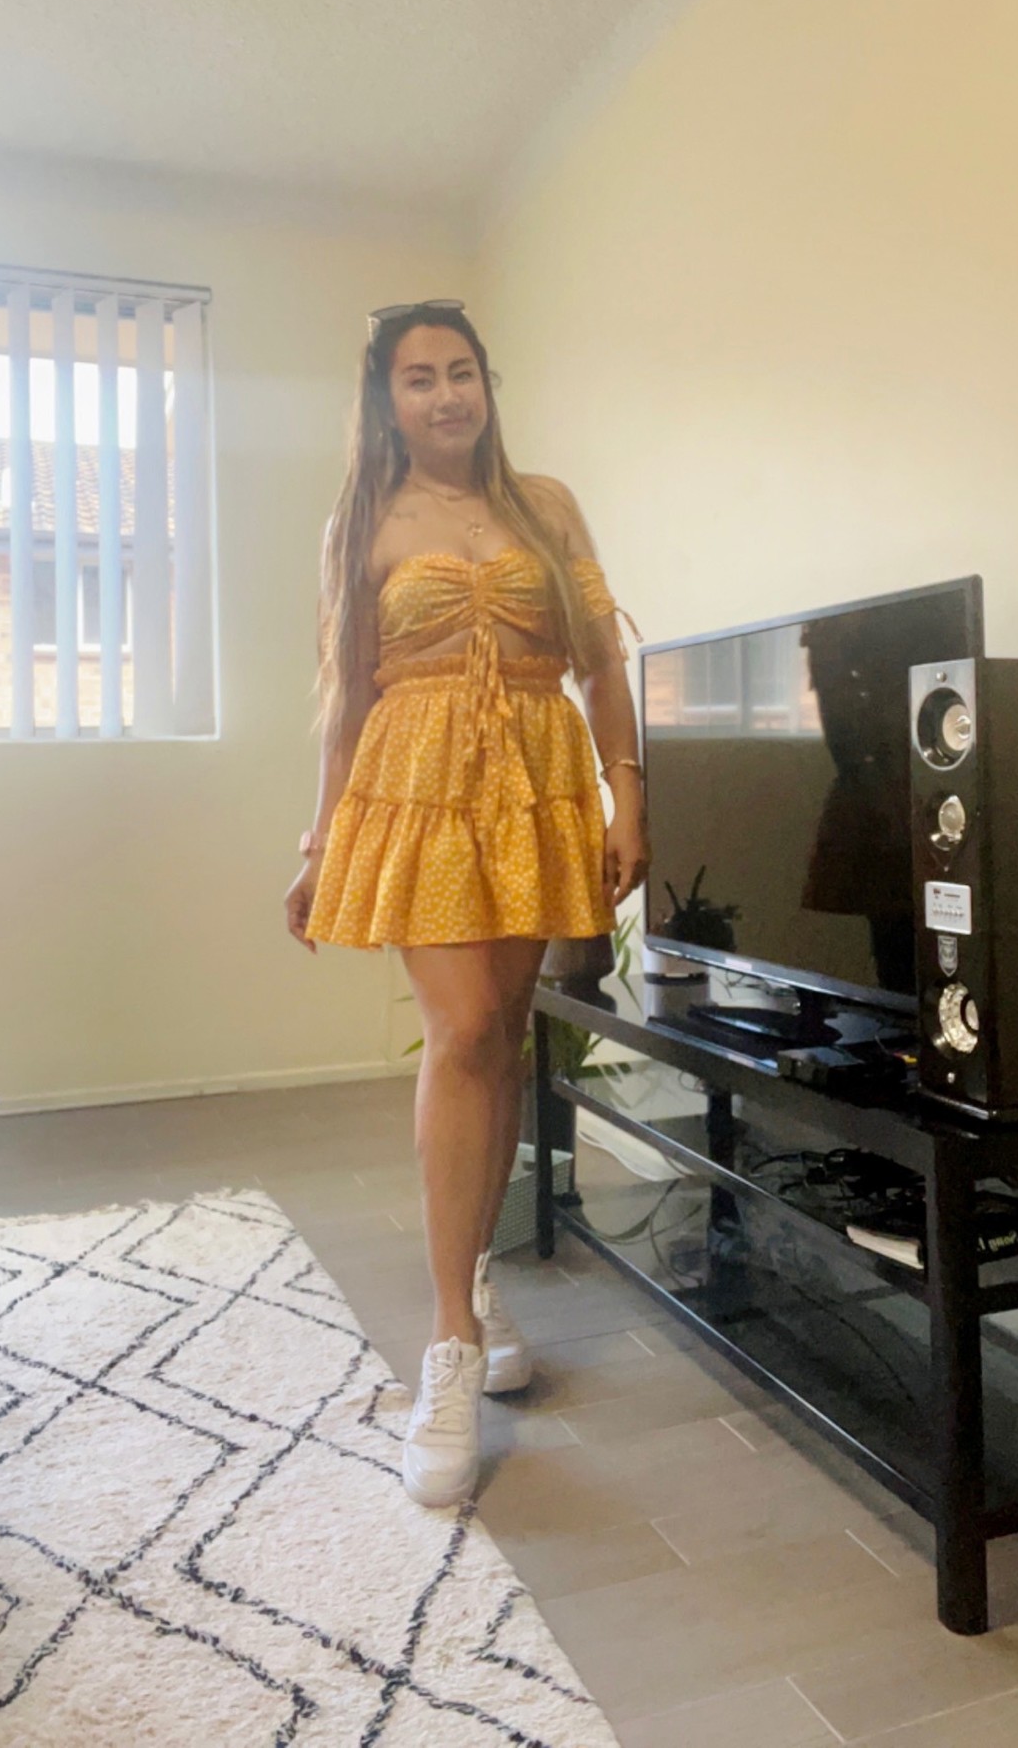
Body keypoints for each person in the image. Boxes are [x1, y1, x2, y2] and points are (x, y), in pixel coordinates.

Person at [284, 299, 649, 1508]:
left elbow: (601, 660)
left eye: (460, 372)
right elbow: (347, 696)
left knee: (501, 1039)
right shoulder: (364, 521)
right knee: (463, 1029)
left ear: (487, 382)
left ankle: (475, 1282)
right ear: (385, 402)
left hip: (535, 786)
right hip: (418, 787)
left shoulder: (546, 505)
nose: (445, 395)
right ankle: (448, 1345)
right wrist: (317, 839)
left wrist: (628, 793)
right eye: (418, 378)